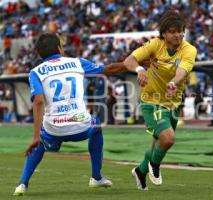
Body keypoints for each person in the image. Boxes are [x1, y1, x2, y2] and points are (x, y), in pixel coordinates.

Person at [13, 33, 127, 196]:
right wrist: (129, 64)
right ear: (60, 47)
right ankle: (96, 177)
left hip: (53, 129)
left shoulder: (35, 72)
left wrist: (35, 136)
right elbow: (109, 69)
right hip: (80, 126)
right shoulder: (77, 62)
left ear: (39, 53)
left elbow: (38, 102)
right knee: (95, 124)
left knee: (41, 142)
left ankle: (22, 184)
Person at [124, 10, 197, 190]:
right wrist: (139, 70)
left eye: (180, 31)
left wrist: (173, 81)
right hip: (151, 100)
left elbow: (183, 70)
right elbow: (130, 60)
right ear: (164, 33)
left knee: (159, 143)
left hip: (172, 102)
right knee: (168, 139)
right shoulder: (155, 45)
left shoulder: (189, 49)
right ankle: (154, 166)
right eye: (173, 31)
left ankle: (141, 172)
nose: (178, 35)